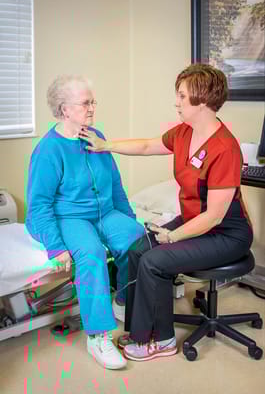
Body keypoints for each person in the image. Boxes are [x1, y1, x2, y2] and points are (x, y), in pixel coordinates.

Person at [78, 63, 253, 362]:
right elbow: (147, 145)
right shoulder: (185, 132)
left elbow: (214, 217)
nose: (176, 102)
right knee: (138, 249)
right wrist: (105, 145)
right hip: (193, 222)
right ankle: (140, 331)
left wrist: (172, 236)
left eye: (182, 96)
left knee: (155, 261)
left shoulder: (226, 148)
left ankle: (163, 340)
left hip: (226, 234)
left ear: (202, 101)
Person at [26, 75, 145, 369]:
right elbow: (38, 206)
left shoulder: (95, 135)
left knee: (138, 238)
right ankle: (98, 336)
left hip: (104, 212)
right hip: (69, 217)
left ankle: (122, 301)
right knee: (90, 254)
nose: (92, 108)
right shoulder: (48, 150)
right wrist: (56, 246)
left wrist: (128, 221)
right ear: (64, 109)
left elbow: (115, 185)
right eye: (85, 103)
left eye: (93, 102)